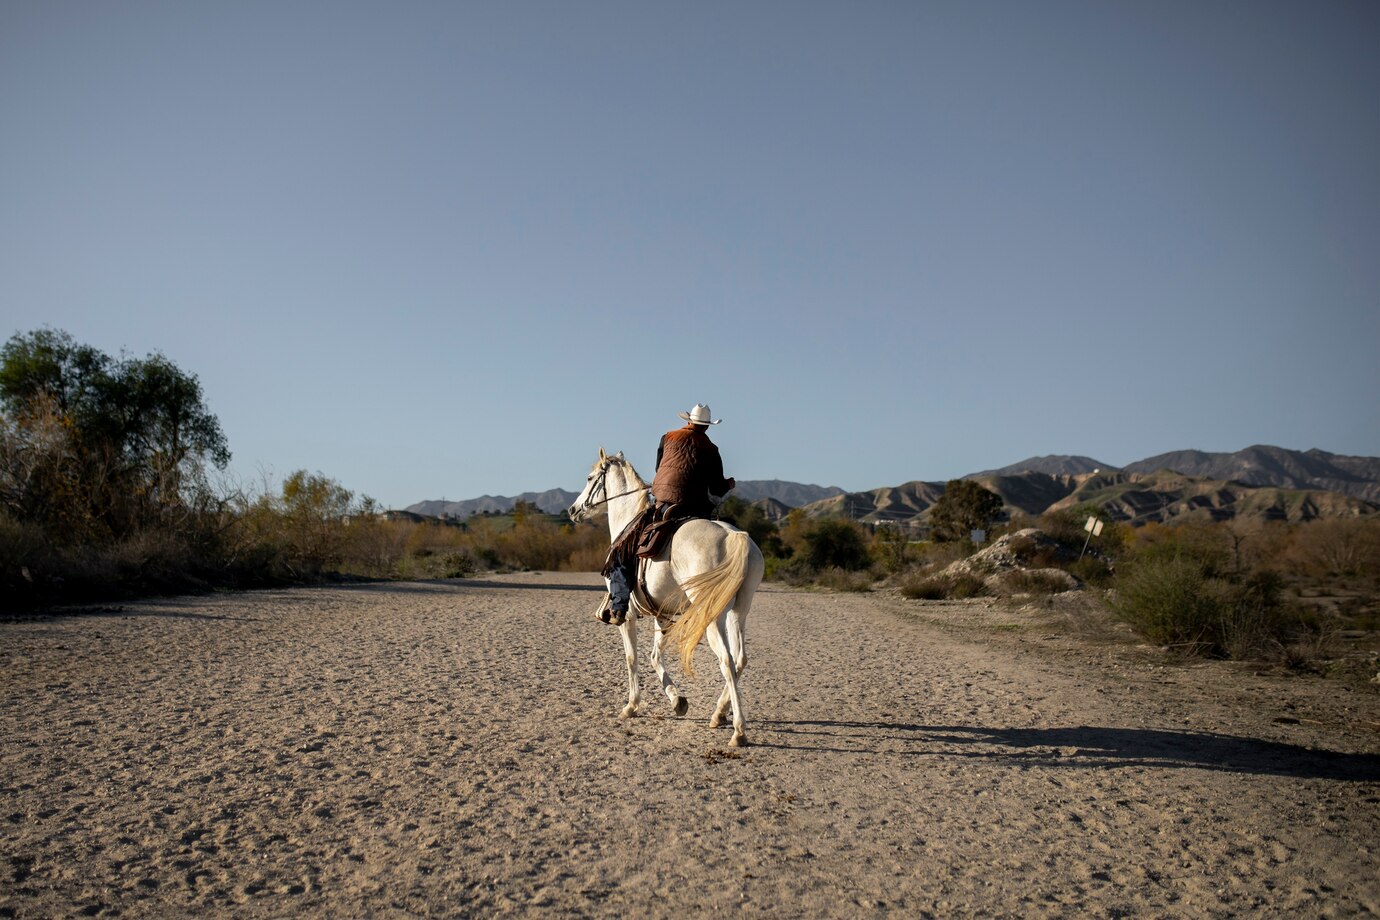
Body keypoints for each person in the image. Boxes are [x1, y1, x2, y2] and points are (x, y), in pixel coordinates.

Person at [600, 403, 736, 625]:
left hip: (664, 503)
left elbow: (658, 468)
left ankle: (618, 607)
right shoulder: (712, 449)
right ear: (707, 427)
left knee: (623, 549)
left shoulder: (668, 437)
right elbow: (717, 487)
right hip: (697, 508)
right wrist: (729, 484)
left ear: (688, 421)